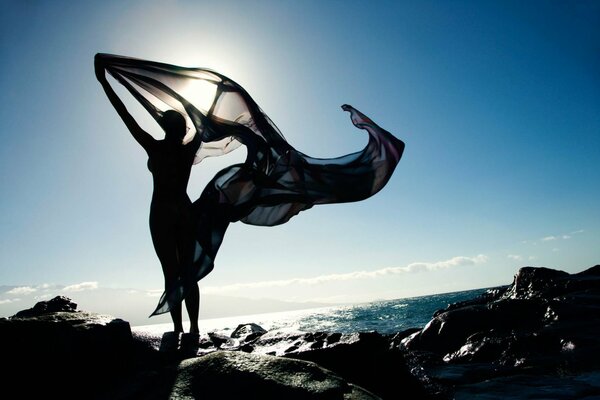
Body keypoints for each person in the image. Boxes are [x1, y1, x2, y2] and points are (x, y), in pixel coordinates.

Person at [95, 56, 201, 333]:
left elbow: (125, 114)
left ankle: (178, 329)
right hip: (184, 208)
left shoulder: (155, 147)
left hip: (162, 211)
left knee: (172, 273)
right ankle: (194, 329)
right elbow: (204, 120)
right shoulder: (188, 150)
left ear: (165, 126)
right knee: (188, 273)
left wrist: (105, 82)